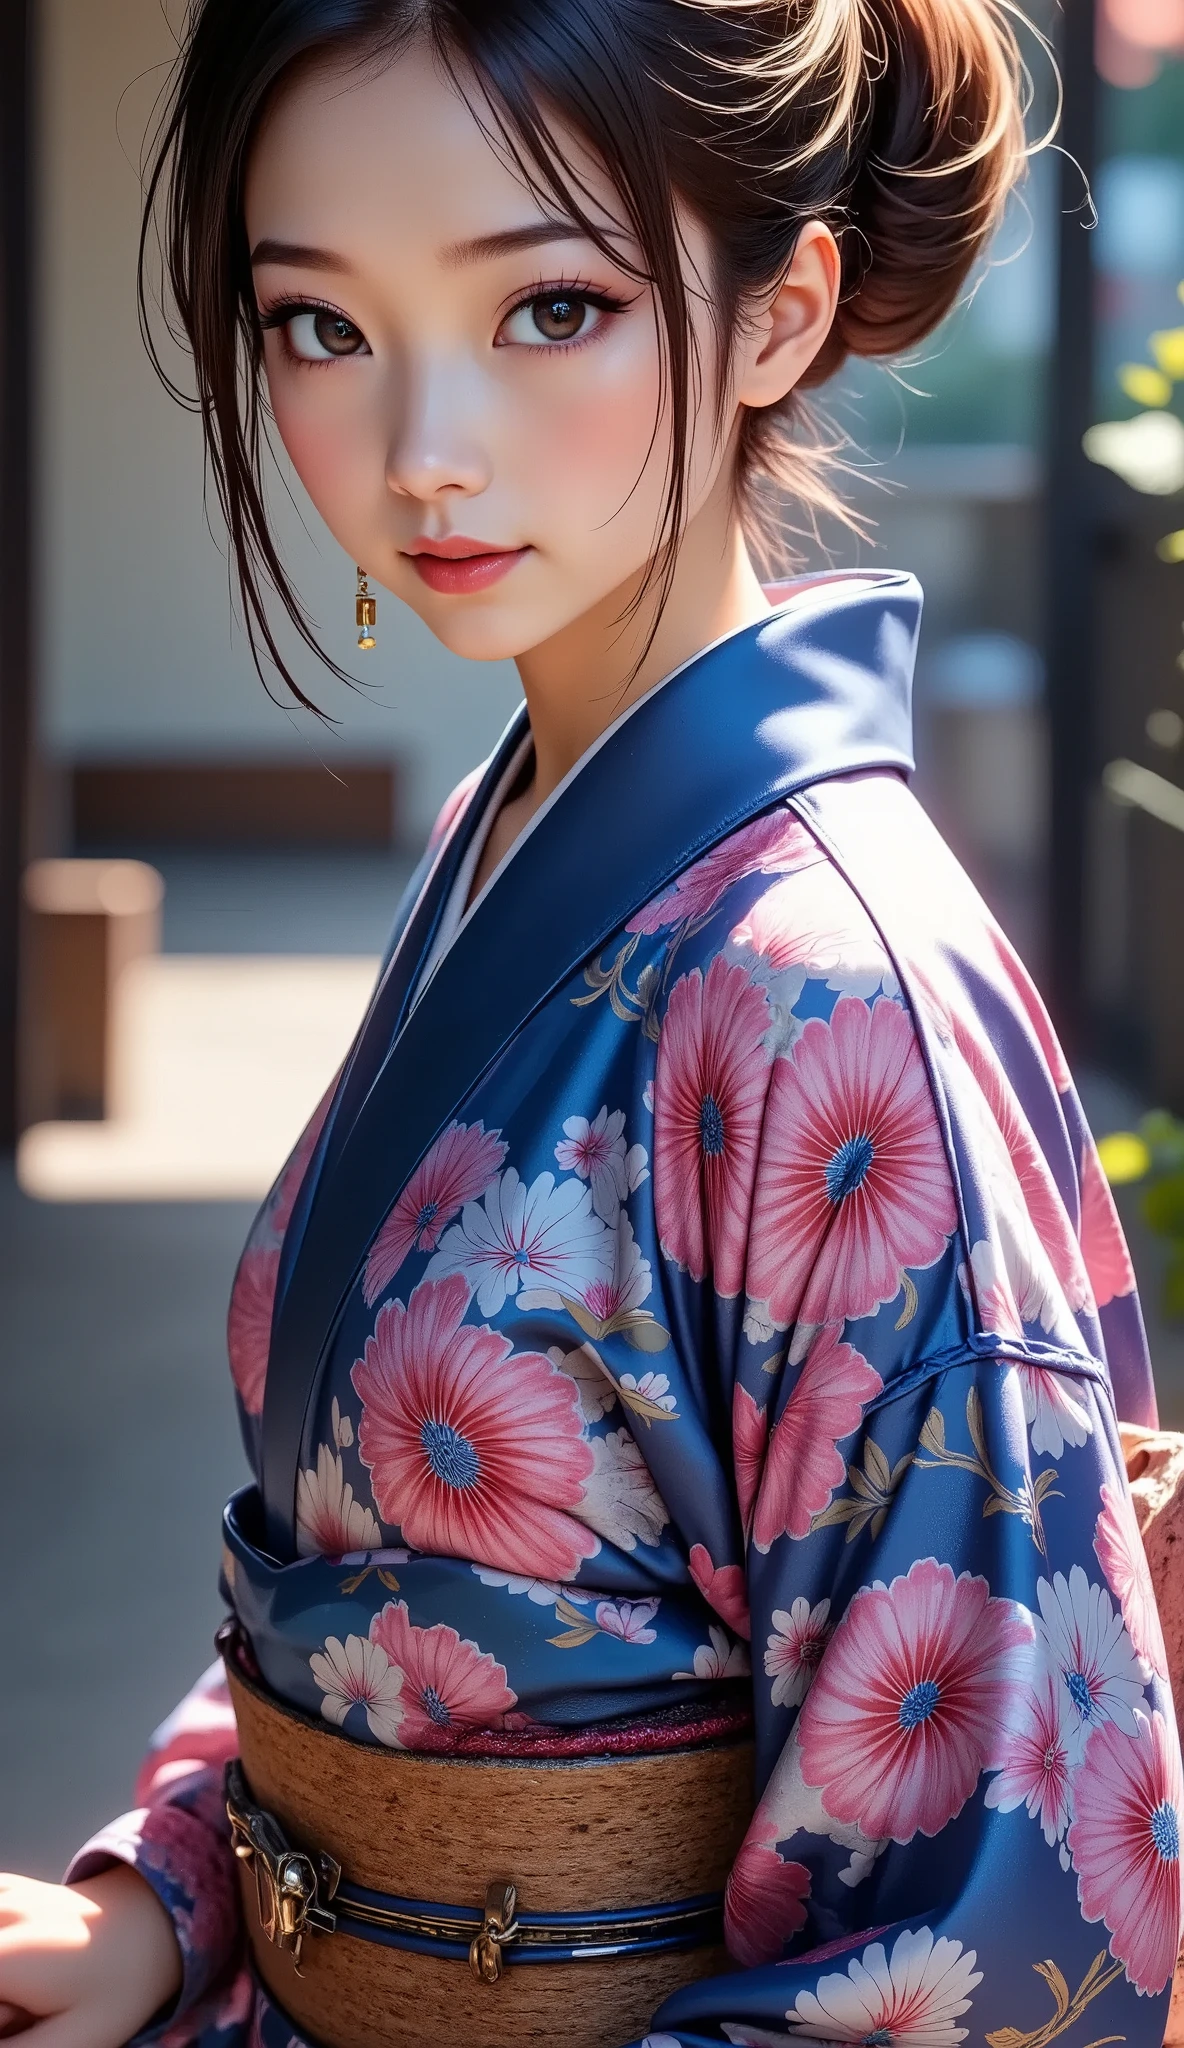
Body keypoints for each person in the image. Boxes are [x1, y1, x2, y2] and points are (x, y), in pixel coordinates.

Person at [2, 1, 1181, 2044]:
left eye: (548, 307)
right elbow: (383, 1598)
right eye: (318, 325)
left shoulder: (828, 999)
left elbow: (994, 1955)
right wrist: (176, 1898)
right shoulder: (513, 830)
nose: (419, 447)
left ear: (777, 314)